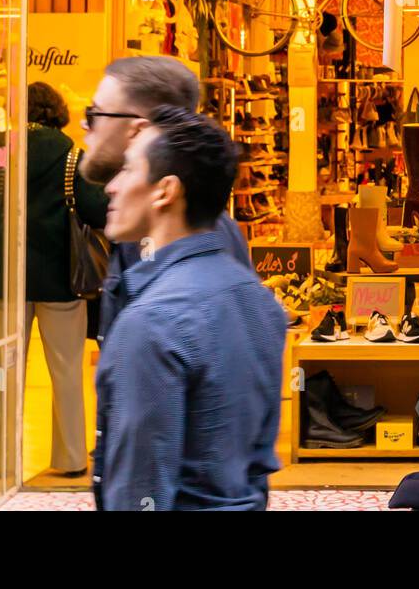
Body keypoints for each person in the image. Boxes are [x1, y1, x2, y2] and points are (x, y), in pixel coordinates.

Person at [94, 105, 286, 510]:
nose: (112, 186)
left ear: (165, 190)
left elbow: (139, 493)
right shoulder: (258, 302)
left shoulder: (151, 322)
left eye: (128, 170)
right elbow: (257, 465)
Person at [0, 82, 107, 479]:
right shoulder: (71, 155)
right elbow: (96, 209)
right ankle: (70, 458)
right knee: (66, 370)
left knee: (4, 370)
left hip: (7, 276)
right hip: (60, 278)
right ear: (56, 112)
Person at [79, 55, 251, 343]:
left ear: (139, 129)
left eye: (95, 113)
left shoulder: (165, 232)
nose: (85, 125)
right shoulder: (148, 223)